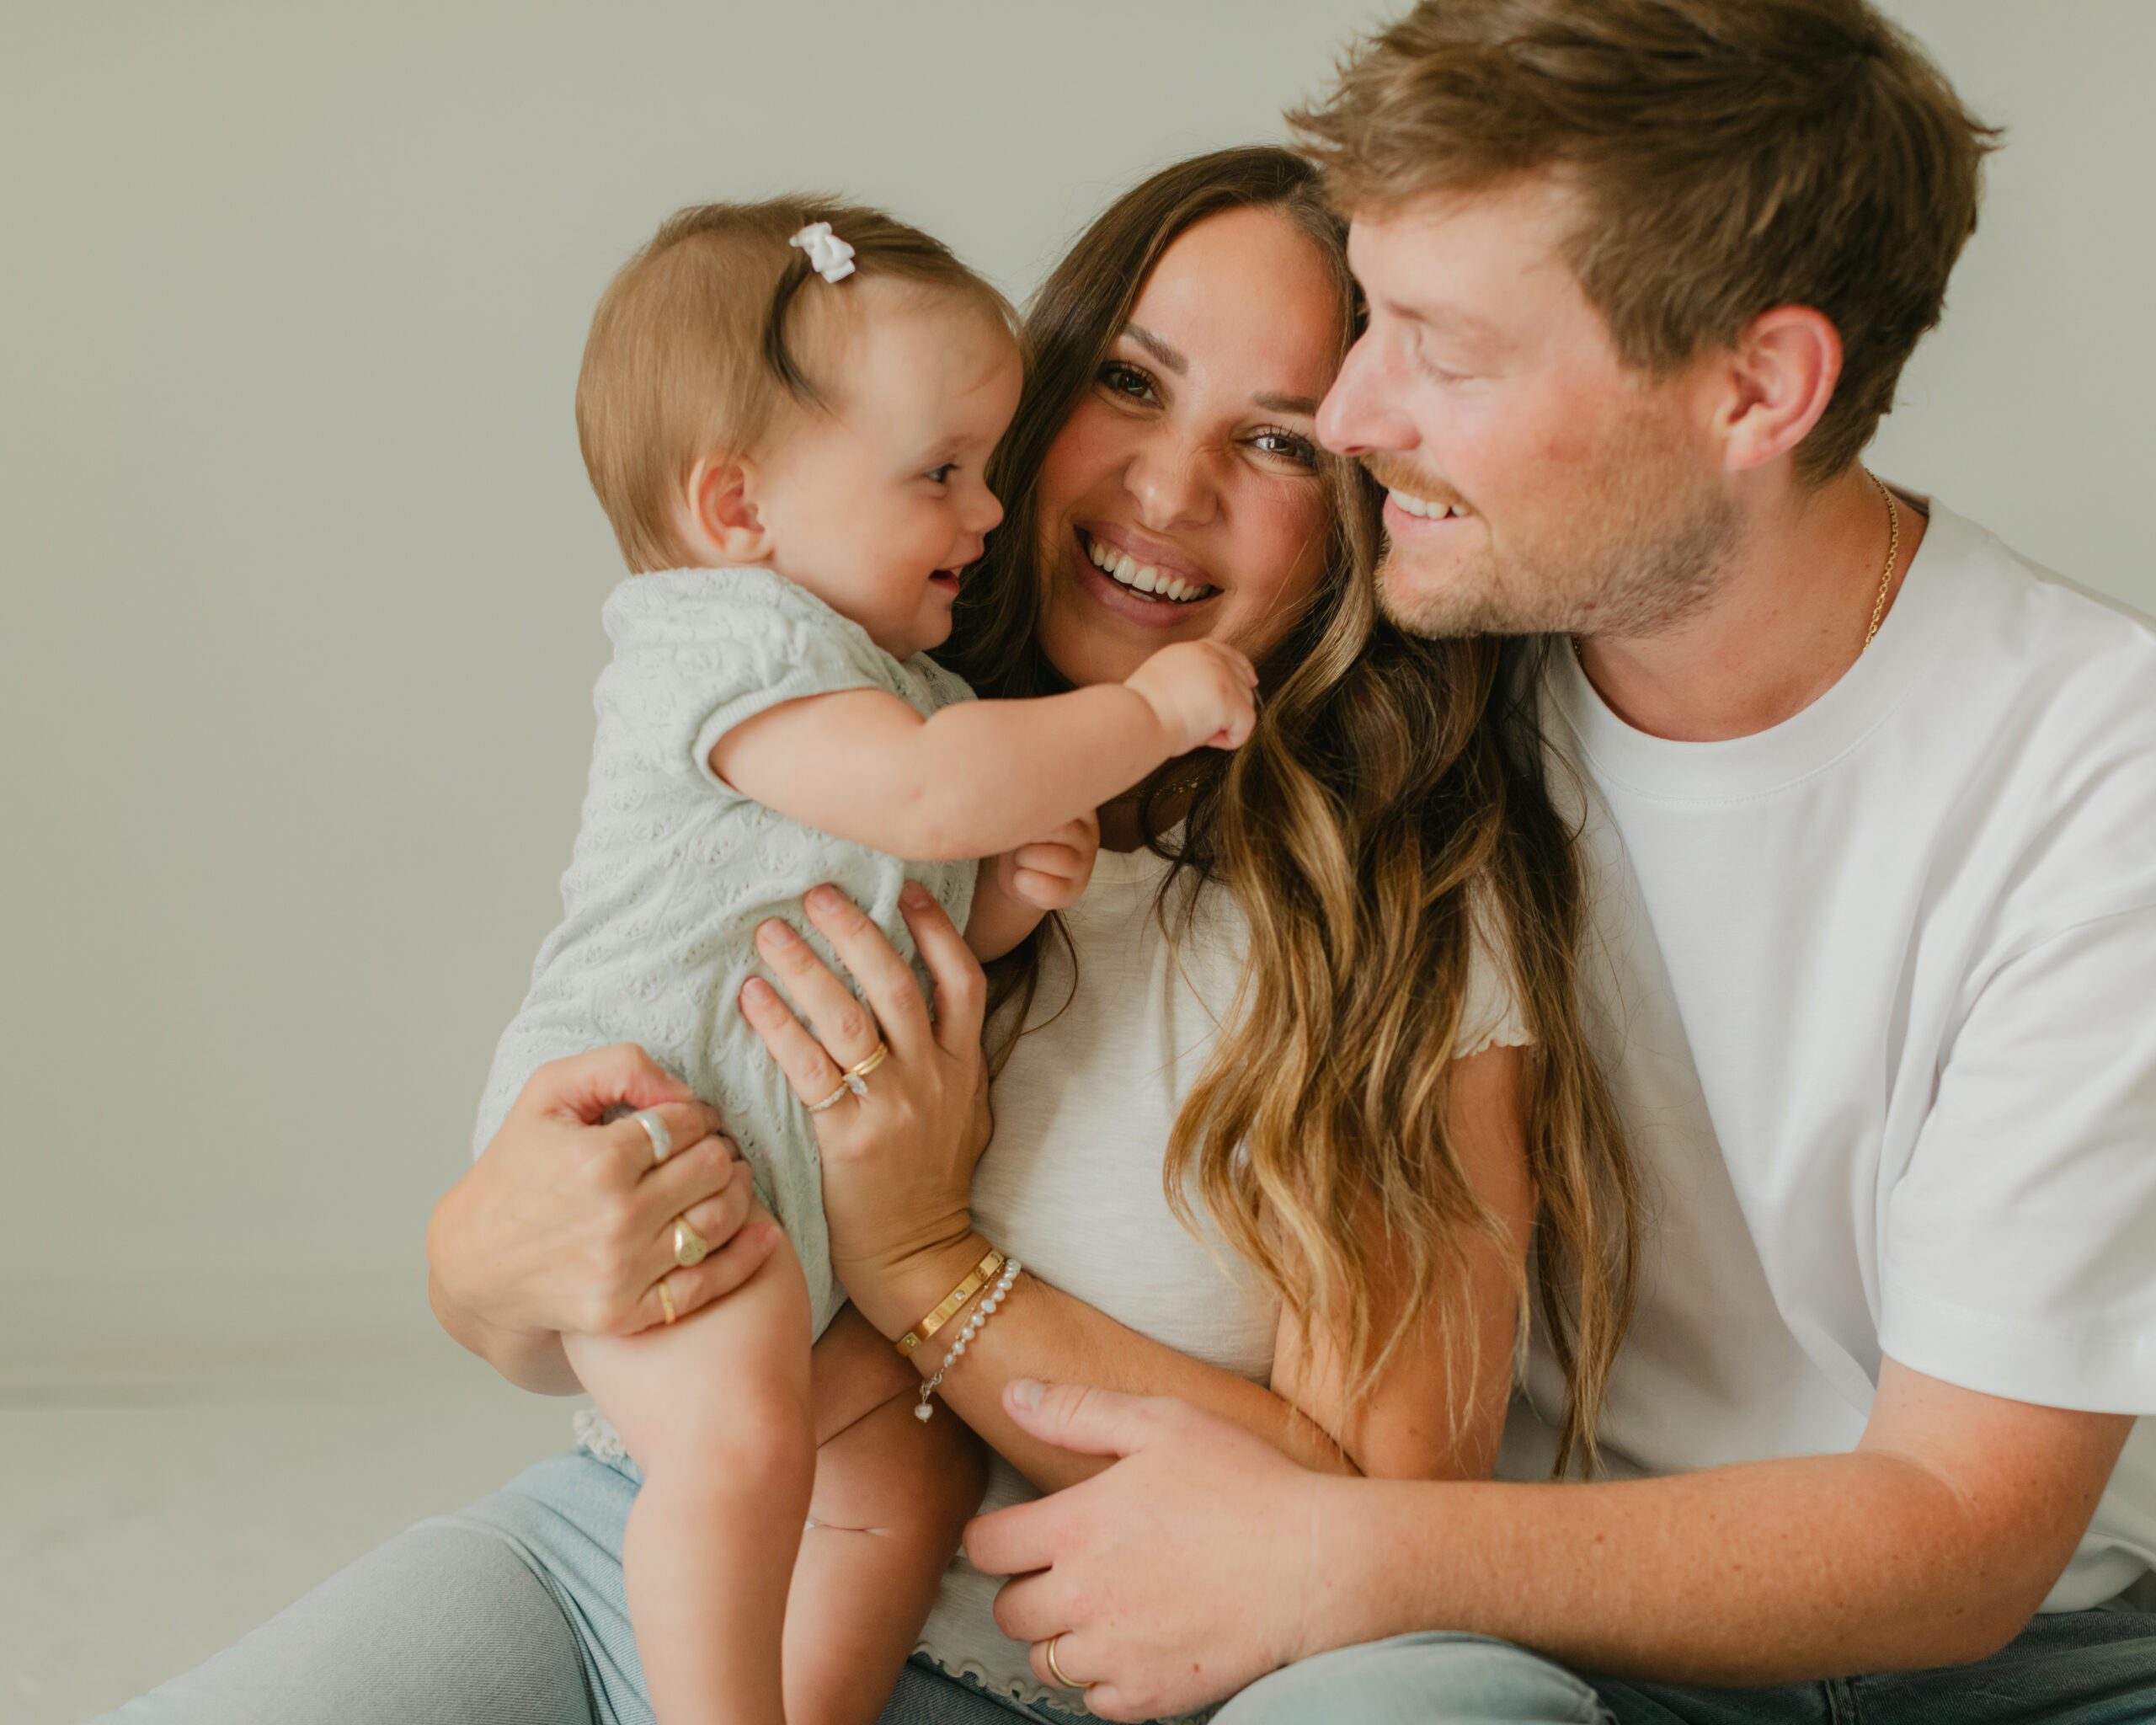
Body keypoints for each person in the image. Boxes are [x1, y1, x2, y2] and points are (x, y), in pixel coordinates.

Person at [98, 147, 1634, 1725]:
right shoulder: (852, 735)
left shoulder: (1399, 916)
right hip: (681, 1589)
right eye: (1126, 381)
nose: (1169, 490)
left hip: (1182, 1673)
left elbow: (1373, 1510)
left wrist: (922, 1262)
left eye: (1276, 440)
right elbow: (565, 1301)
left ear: (1362, 509)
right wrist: (480, 1259)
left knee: (1434, 1704)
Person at [958, 5, 2156, 1723]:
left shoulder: (2090, 774)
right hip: (1495, 1638)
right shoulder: (1399, 660)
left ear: (1756, 389)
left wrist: (1345, 1553)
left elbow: (1960, 1531)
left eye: (1440, 352)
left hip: (2000, 1662)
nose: (1355, 415)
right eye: (1367, 320)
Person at [472, 193, 1261, 1725]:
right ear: (739, 509)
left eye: (985, 466)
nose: (982, 509)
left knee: (895, 1466)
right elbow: (925, 791)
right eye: (940, 474)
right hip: (661, 1136)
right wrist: (1156, 712)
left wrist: (998, 915)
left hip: (777, 1166)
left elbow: (887, 956)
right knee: (742, 1445)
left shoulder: (878, 671)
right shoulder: (728, 647)